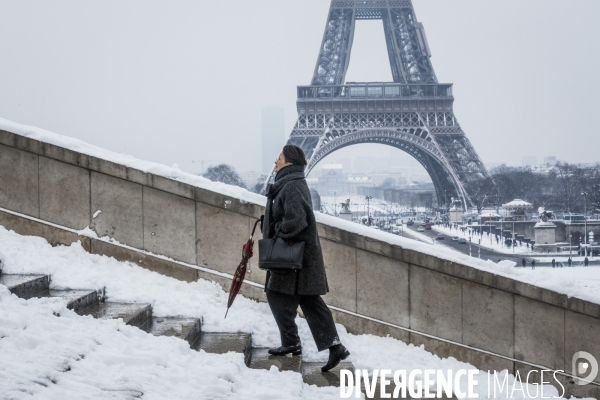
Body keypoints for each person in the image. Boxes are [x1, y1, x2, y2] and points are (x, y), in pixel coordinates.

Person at [262, 145, 350, 372]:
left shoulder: (291, 185)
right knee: (310, 301)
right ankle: (332, 346)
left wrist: (275, 228)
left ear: (289, 162)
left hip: (295, 257)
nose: (275, 162)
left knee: (276, 294)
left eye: (279, 158)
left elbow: (296, 220)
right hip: (299, 257)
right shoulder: (291, 182)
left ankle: (292, 342)